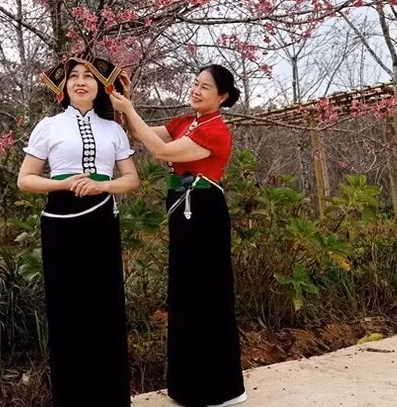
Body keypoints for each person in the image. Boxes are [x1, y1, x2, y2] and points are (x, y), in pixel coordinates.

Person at [110, 64, 247, 407]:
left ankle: (219, 390)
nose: (197, 90)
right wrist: (126, 103)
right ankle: (188, 388)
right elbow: (142, 135)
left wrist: (129, 109)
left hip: (204, 213)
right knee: (184, 294)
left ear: (223, 96)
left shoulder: (216, 130)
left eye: (206, 87)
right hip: (183, 212)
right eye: (195, 83)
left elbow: (164, 151)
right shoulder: (187, 122)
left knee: (208, 293)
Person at [18, 54, 139, 407]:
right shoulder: (48, 126)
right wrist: (63, 183)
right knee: (67, 308)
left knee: (105, 306)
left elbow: (131, 180)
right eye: (74, 76)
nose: (81, 81)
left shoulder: (113, 129)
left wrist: (104, 187)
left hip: (102, 217)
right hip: (61, 221)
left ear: (100, 86)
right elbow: (25, 180)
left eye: (88, 76)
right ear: (64, 86)